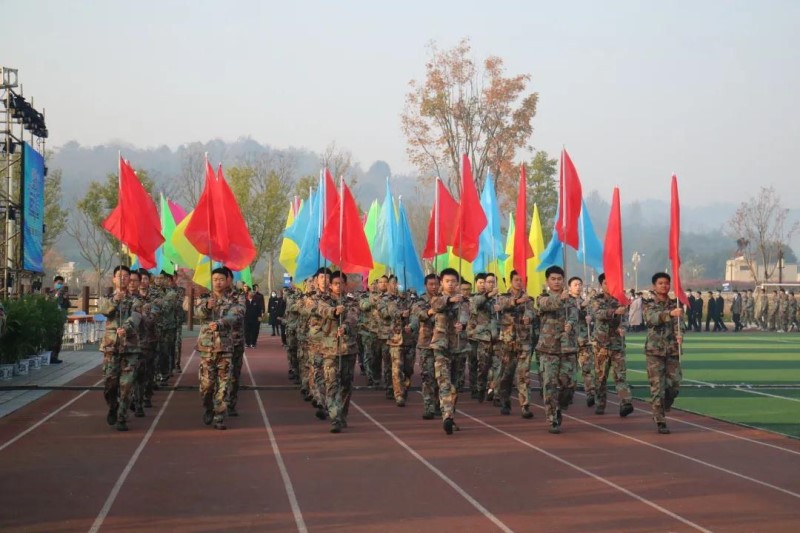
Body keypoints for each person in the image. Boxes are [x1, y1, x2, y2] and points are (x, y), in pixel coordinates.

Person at [194, 267, 244, 430]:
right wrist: (207, 307)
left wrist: (221, 323)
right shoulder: (204, 297)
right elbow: (197, 314)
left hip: (226, 346)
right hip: (207, 347)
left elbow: (237, 314)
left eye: (221, 279)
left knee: (224, 384)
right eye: (215, 279)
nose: (218, 282)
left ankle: (219, 416)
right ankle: (208, 407)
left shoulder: (234, 299)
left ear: (227, 280)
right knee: (207, 385)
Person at [98, 265, 143, 432]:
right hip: (111, 346)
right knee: (110, 384)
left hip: (130, 347)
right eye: (119, 276)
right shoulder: (107, 297)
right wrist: (115, 300)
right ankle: (113, 406)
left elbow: (136, 317)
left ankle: (122, 417)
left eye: (126, 276)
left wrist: (126, 328)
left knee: (126, 385)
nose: (123, 278)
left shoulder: (136, 300)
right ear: (114, 279)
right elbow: (103, 310)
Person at [536, 266, 577, 434]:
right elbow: (547, 306)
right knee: (550, 385)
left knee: (569, 385)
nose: (556, 282)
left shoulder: (571, 300)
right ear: (547, 281)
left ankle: (560, 406)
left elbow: (574, 316)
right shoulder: (542, 298)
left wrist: (571, 324)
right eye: (553, 279)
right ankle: (552, 418)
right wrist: (561, 299)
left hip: (567, 348)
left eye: (559, 279)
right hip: (549, 348)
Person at [429, 268, 469, 435]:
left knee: (456, 385)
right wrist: (450, 300)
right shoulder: (437, 298)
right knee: (444, 382)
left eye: (453, 281)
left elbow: (466, 317)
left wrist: (462, 325)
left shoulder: (464, 301)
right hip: (441, 346)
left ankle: (450, 414)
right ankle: (447, 415)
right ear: (442, 283)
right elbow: (436, 306)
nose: (451, 284)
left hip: (458, 346)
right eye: (447, 281)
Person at [643, 272, 684, 434]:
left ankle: (663, 406)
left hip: (672, 350)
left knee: (674, 385)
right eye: (660, 283)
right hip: (655, 351)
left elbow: (680, 324)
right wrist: (669, 314)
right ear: (654, 286)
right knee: (657, 387)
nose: (664, 286)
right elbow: (651, 319)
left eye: (666, 283)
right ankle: (660, 419)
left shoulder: (675, 303)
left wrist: (680, 334)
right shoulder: (649, 303)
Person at [589, 274, 633, 417]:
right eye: (605, 283)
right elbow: (598, 314)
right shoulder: (596, 300)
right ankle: (600, 403)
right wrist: (614, 312)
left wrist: (623, 327)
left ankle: (625, 402)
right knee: (600, 377)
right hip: (601, 345)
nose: (609, 286)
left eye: (612, 282)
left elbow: (625, 318)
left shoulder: (621, 300)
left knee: (620, 375)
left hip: (617, 345)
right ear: (601, 285)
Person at [497, 270, 536, 419]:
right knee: (506, 375)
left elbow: (532, 312)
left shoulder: (529, 299)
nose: (519, 283)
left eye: (521, 280)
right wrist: (517, 301)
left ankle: (525, 406)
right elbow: (502, 305)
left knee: (523, 374)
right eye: (516, 280)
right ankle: (504, 400)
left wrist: (529, 317)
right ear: (510, 281)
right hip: (507, 341)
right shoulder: (503, 297)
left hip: (523, 341)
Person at [411, 274, 441, 420]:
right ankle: (429, 407)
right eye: (431, 284)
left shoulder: (443, 299)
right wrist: (430, 311)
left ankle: (440, 404)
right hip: (426, 344)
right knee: (427, 376)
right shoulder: (420, 301)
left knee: (441, 377)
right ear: (425, 286)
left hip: (442, 343)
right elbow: (419, 314)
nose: (434, 287)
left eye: (436, 284)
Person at [48, 275, 70, 364]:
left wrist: (66, 299)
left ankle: (56, 356)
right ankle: (50, 356)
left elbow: (68, 306)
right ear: (54, 283)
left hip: (60, 319)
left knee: (59, 339)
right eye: (58, 283)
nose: (60, 285)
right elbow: (48, 304)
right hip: (52, 319)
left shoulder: (64, 293)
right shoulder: (51, 293)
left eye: (61, 283)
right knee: (52, 338)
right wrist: (55, 297)